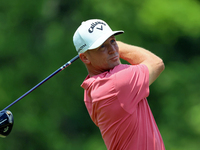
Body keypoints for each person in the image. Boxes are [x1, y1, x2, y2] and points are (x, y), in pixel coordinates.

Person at [73, 19, 165, 150]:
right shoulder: (116, 82)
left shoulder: (91, 89)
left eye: (113, 41)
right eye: (102, 47)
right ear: (85, 58)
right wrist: (119, 46)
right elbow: (156, 63)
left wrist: (110, 48)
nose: (112, 50)